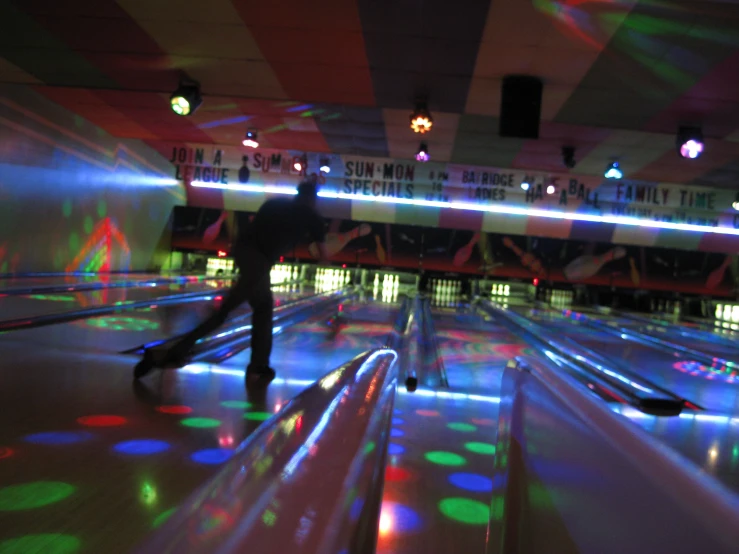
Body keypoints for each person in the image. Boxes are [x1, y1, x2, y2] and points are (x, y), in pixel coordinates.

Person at [134, 174, 328, 387]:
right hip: (259, 261)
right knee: (227, 311)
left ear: (298, 193)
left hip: (243, 252)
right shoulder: (311, 216)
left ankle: (258, 364)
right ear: (313, 199)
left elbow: (255, 228)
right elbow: (323, 255)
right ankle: (166, 354)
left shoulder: (275, 204)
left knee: (262, 307)